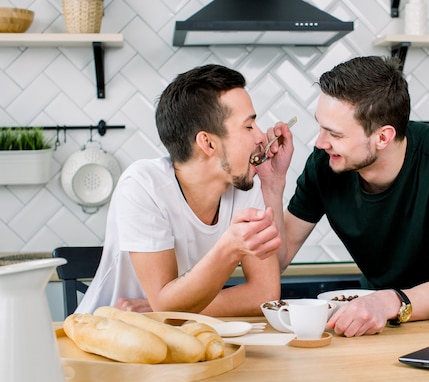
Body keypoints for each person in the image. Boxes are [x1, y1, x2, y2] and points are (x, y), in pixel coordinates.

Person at [258, 56, 429, 337]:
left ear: (383, 137)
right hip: (377, 317)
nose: (319, 143)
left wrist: (387, 302)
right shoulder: (324, 163)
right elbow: (279, 260)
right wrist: (273, 185)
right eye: (321, 127)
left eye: (334, 134)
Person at [76, 64, 293, 317]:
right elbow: (165, 304)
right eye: (248, 127)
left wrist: (173, 309)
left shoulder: (244, 185)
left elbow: (264, 294)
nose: (260, 137)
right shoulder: (142, 187)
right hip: (108, 331)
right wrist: (230, 247)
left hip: (179, 331)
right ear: (207, 142)